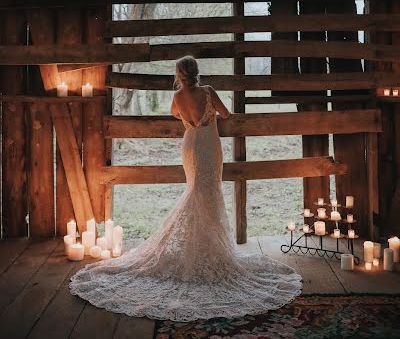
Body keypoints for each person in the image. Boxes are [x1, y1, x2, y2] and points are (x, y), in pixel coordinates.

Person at [70, 56, 302, 321]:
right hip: (208, 146)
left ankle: (202, 243)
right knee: (208, 192)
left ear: (179, 74)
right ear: (196, 72)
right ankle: (208, 245)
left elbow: (174, 113)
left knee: (197, 190)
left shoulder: (178, 96)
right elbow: (225, 114)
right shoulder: (208, 92)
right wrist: (211, 114)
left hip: (190, 145)